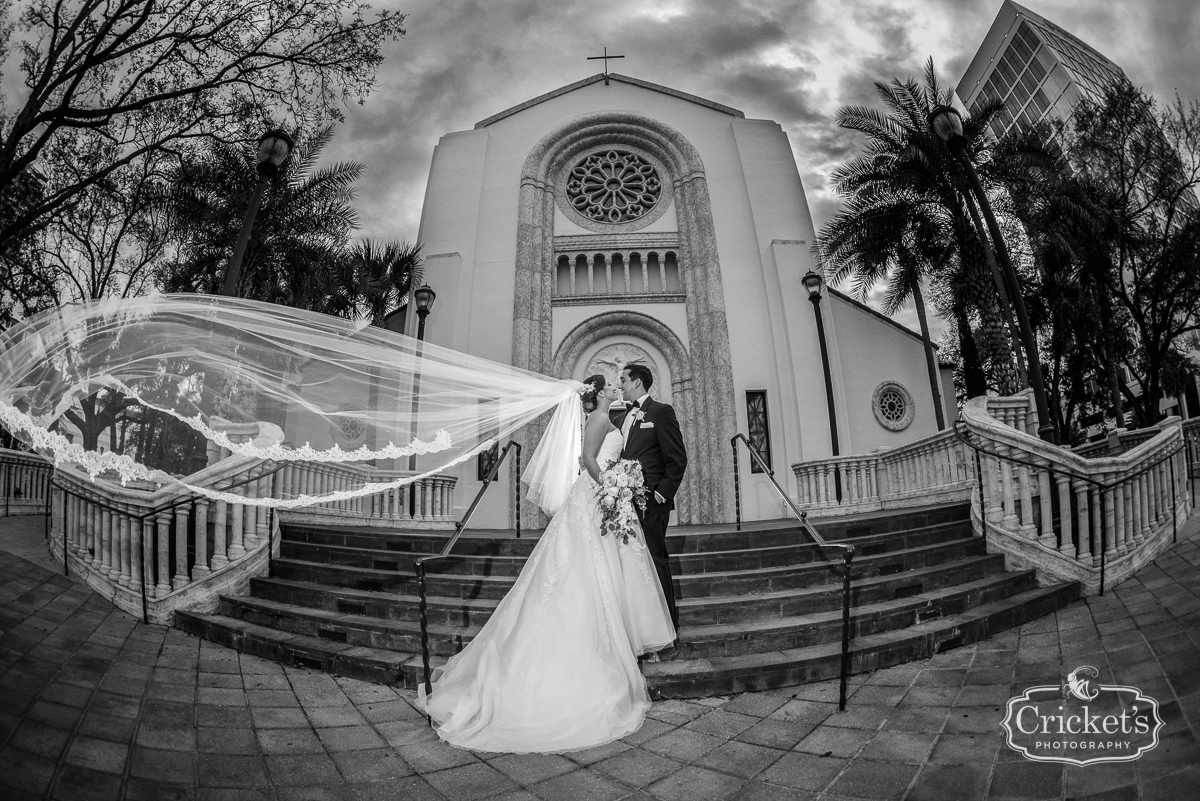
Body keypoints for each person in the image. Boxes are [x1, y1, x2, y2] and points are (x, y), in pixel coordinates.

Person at [418, 375, 676, 753]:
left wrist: (620, 481)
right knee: (582, 570)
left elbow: (605, 455)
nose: (614, 387)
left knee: (598, 569)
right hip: (597, 496)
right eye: (609, 385)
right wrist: (610, 485)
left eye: (620, 381)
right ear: (597, 394)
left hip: (602, 498)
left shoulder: (613, 417)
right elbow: (587, 459)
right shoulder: (600, 420)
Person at [613, 363, 687, 631]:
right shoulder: (621, 417)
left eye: (623, 380)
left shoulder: (661, 412)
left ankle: (669, 626)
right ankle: (644, 626)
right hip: (625, 502)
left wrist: (660, 494)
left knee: (656, 558)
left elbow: (677, 459)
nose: (620, 384)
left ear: (637, 382)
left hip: (652, 501)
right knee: (635, 562)